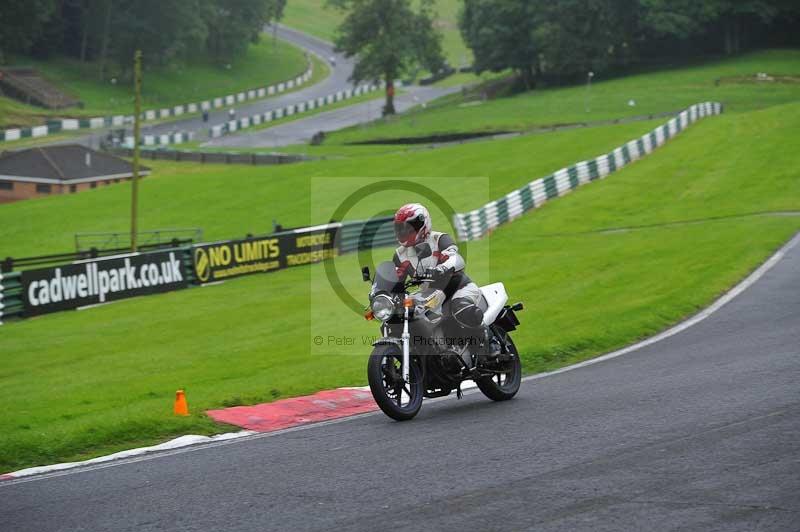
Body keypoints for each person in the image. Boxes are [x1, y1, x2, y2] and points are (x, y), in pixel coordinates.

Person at [391, 203, 500, 359]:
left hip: (457, 287)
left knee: (460, 308)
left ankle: (490, 341)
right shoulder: (400, 254)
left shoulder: (439, 239)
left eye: (409, 227)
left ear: (422, 224)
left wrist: (442, 268)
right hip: (429, 295)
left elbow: (455, 258)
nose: (405, 232)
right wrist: (382, 290)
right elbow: (396, 277)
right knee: (398, 316)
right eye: (401, 228)